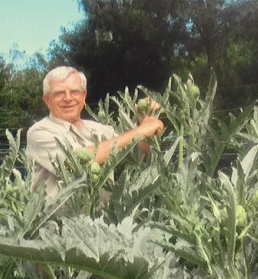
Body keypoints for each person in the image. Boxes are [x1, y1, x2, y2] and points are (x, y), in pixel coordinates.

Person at [26, 66, 165, 196]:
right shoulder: (39, 133)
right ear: (47, 100)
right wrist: (140, 131)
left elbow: (139, 154)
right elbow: (76, 161)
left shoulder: (99, 129)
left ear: (83, 96)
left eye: (74, 91)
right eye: (59, 93)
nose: (68, 98)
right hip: (58, 221)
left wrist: (145, 120)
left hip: (102, 221)